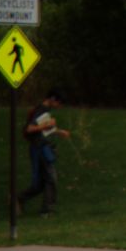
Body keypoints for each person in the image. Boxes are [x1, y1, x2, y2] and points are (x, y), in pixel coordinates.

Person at [19, 88, 75, 216]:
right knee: (50, 178)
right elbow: (29, 129)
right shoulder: (40, 110)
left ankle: (20, 199)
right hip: (39, 148)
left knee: (40, 183)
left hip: (43, 147)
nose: (59, 106)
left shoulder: (45, 110)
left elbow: (46, 129)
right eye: (59, 103)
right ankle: (46, 210)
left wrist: (59, 132)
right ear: (53, 99)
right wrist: (46, 126)